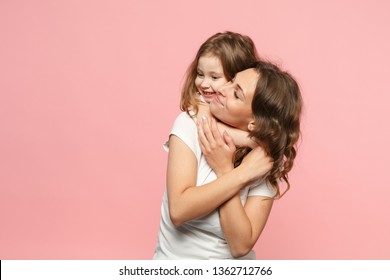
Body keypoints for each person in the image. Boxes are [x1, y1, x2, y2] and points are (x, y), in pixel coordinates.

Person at [153, 34, 302, 259]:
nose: (221, 89)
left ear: (254, 121)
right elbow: (179, 210)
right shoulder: (189, 124)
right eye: (231, 81)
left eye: (236, 92)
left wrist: (225, 169)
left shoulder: (264, 161)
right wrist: (241, 175)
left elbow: (240, 245)